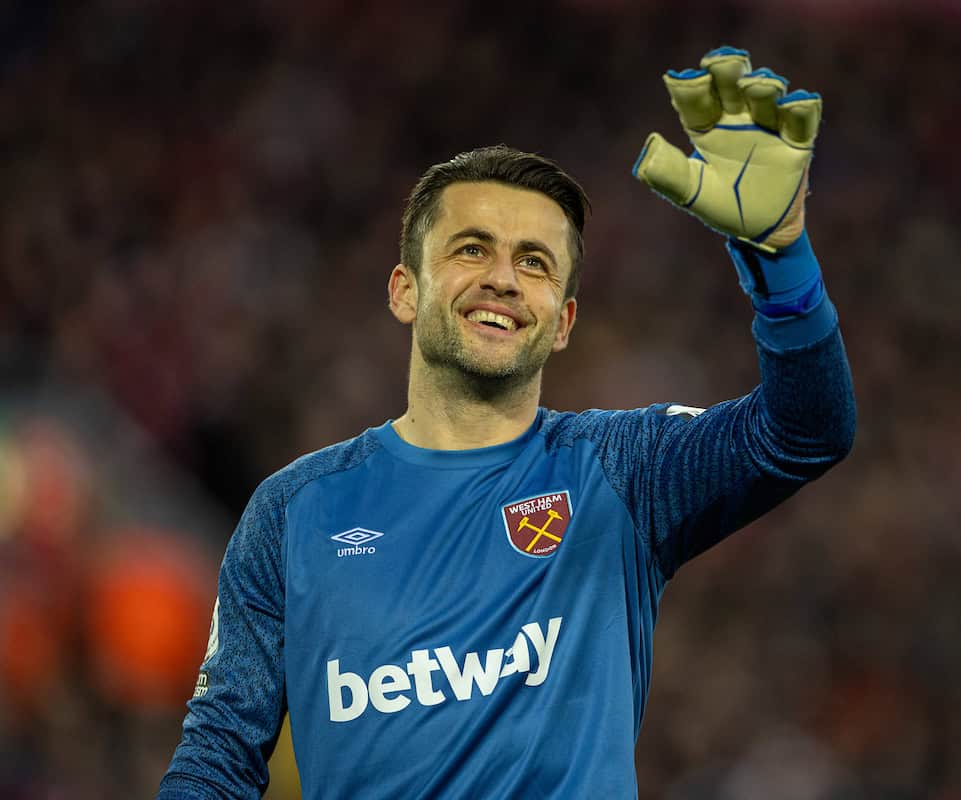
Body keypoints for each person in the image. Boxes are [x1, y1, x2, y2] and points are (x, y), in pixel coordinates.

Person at [158, 46, 855, 799]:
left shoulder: (622, 471)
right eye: (471, 248)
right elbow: (220, 757)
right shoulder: (293, 512)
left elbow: (804, 430)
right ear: (403, 289)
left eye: (536, 263)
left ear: (564, 321)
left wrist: (781, 258)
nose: (502, 278)